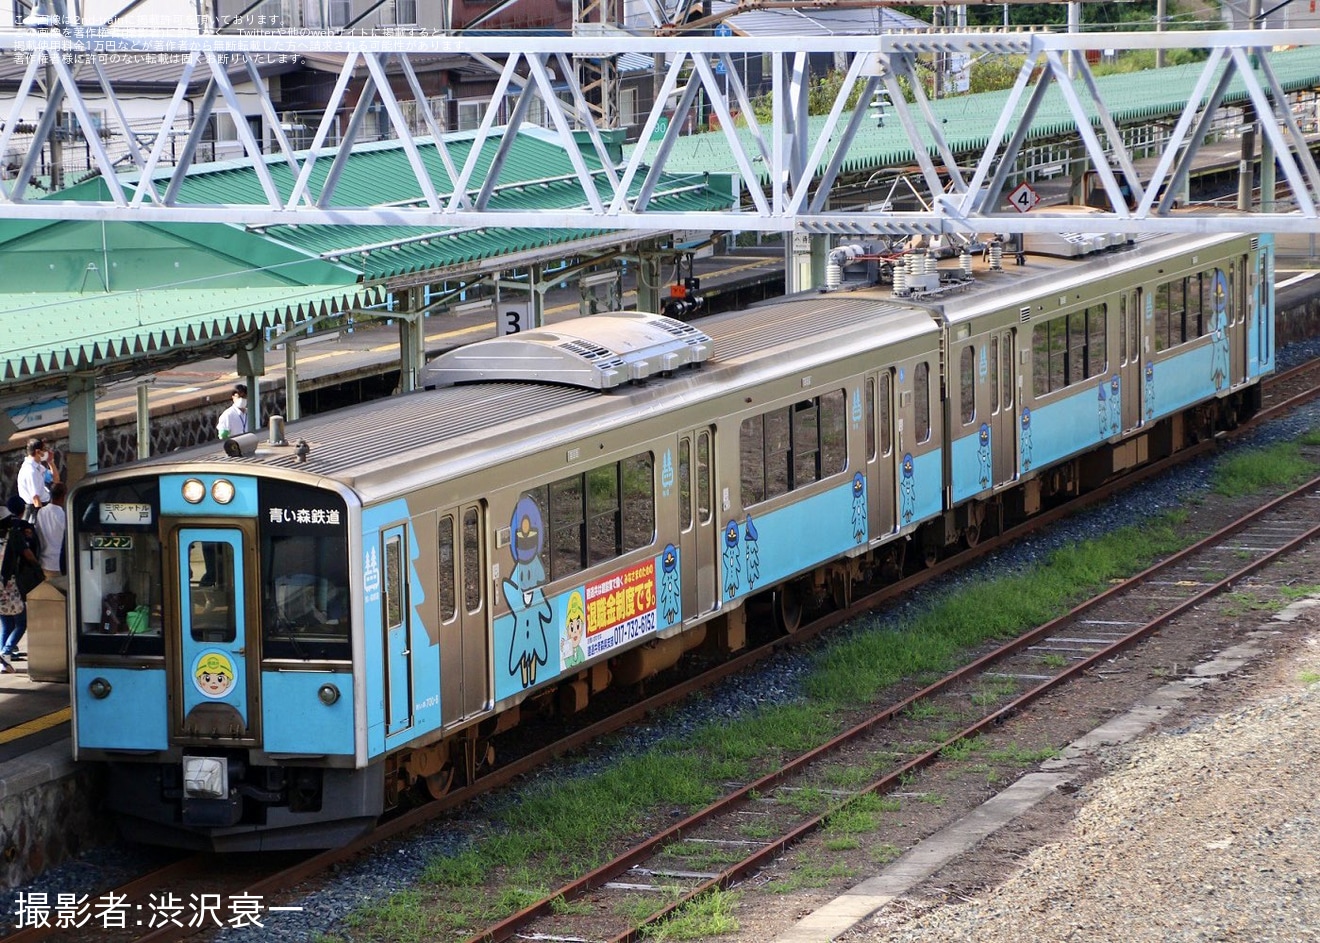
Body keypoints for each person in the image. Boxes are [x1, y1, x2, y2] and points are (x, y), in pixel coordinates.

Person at [1, 495, 41, 665]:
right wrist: (38, 569)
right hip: (10, 583)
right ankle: (6, 651)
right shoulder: (15, 534)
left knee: (5, 622)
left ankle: (5, 658)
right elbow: (28, 554)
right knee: (21, 622)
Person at [17, 437, 57, 521]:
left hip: (43, 505)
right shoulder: (31, 471)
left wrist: (51, 462)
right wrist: (43, 517)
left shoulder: (37, 467)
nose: (47, 452)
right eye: (44, 449)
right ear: (38, 452)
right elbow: (35, 498)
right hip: (35, 509)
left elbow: (55, 479)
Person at [35, 482, 67, 580]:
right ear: (64, 496)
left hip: (44, 563)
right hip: (60, 565)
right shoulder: (64, 515)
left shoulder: (41, 512)